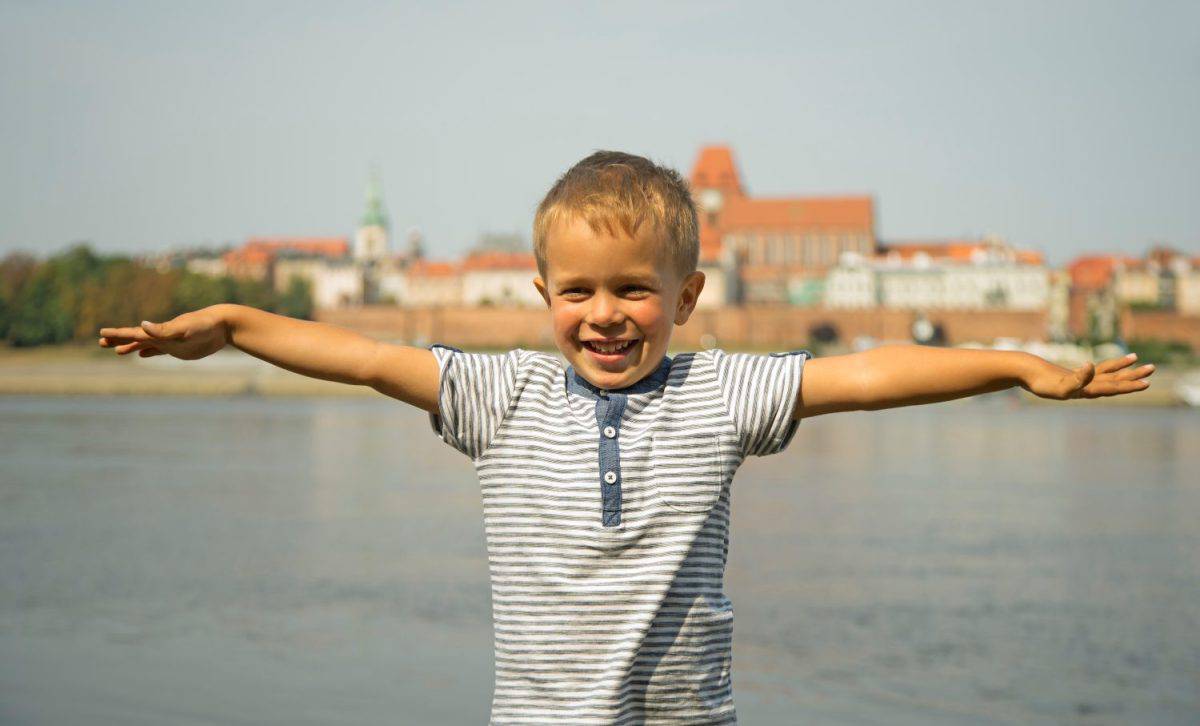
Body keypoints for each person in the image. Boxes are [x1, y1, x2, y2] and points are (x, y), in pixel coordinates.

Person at [98, 151, 1155, 724]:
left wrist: (1019, 365)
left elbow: (870, 376)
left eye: (635, 290)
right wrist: (231, 328)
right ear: (543, 294)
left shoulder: (723, 394)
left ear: (686, 295)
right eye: (580, 291)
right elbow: (366, 356)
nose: (606, 313)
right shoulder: (498, 397)